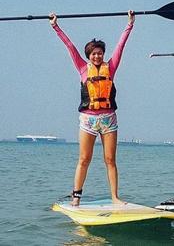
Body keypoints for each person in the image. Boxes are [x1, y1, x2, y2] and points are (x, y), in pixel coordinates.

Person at [49, 11, 135, 206]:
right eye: (93, 53)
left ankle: (115, 197)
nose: (97, 56)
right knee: (84, 159)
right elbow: (69, 46)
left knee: (110, 160)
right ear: (88, 55)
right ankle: (76, 197)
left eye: (100, 53)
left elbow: (121, 46)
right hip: (88, 120)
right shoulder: (82, 68)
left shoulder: (111, 67)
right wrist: (56, 26)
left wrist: (129, 24)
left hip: (109, 120)